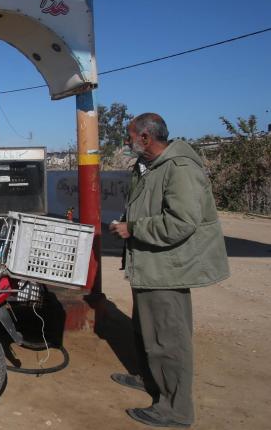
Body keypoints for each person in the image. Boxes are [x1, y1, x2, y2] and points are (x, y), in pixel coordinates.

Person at [108, 113, 229, 428]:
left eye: (130, 135)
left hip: (167, 269)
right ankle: (150, 379)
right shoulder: (149, 166)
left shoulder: (180, 168)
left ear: (146, 138)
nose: (126, 141)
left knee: (168, 339)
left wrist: (132, 228)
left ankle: (175, 410)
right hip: (149, 265)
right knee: (147, 330)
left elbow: (182, 222)